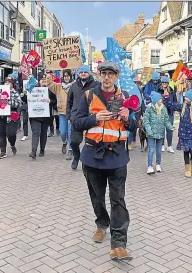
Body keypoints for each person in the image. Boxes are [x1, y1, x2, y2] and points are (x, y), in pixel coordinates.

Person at [72, 61, 137, 261]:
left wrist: (128, 119)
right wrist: (94, 118)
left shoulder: (125, 96)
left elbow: (134, 127)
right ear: (99, 75)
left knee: (118, 200)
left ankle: (119, 244)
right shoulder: (88, 96)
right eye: (103, 74)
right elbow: (76, 122)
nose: (107, 77)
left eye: (111, 74)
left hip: (117, 156)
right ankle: (101, 223)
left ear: (116, 76)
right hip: (92, 155)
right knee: (97, 197)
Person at [66, 65, 99, 169]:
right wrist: (69, 116)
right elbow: (69, 101)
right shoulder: (74, 86)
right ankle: (76, 157)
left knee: (93, 142)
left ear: (89, 73)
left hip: (91, 117)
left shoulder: (96, 85)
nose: (83, 74)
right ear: (78, 74)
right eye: (81, 72)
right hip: (76, 117)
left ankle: (92, 161)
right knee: (74, 141)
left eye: (85, 72)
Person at [170, 88, 192, 178]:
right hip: (184, 134)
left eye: (187, 97)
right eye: (185, 97)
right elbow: (172, 106)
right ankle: (187, 169)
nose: (185, 99)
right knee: (186, 151)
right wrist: (168, 97)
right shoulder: (183, 106)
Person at [144, 92, 174, 174]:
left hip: (160, 133)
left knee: (158, 150)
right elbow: (146, 121)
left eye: (161, 99)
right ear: (155, 100)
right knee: (151, 150)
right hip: (151, 134)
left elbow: (166, 120)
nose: (161, 100)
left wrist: (170, 127)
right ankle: (149, 166)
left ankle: (158, 164)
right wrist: (149, 130)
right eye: (159, 99)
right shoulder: (149, 109)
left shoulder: (163, 109)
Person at [47, 70, 75, 158]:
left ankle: (70, 149)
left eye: (68, 76)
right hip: (62, 113)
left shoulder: (75, 86)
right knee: (63, 132)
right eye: (65, 76)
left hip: (71, 113)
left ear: (70, 76)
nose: (66, 78)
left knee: (70, 133)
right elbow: (50, 84)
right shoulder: (58, 86)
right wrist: (49, 76)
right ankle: (64, 142)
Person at [0, 76, 23, 159]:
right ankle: (3, 152)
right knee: (1, 134)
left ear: (12, 84)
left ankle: (12, 144)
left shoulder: (14, 93)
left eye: (9, 82)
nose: (7, 84)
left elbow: (19, 104)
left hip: (11, 116)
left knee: (10, 134)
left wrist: (9, 99)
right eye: (6, 82)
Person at [29, 76, 56, 159]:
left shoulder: (50, 91)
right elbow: (25, 99)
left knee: (43, 133)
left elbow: (55, 101)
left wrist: (50, 101)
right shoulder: (32, 90)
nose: (44, 81)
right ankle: (33, 151)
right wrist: (25, 94)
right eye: (42, 80)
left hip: (45, 116)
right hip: (35, 116)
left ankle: (42, 150)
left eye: (46, 80)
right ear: (39, 81)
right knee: (35, 133)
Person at [158, 76, 177, 153]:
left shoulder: (172, 91)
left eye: (166, 82)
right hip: (161, 112)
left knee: (169, 129)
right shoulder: (159, 91)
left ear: (168, 83)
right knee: (161, 129)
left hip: (170, 112)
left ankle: (169, 146)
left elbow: (175, 101)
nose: (164, 84)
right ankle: (162, 145)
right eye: (163, 82)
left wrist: (174, 107)